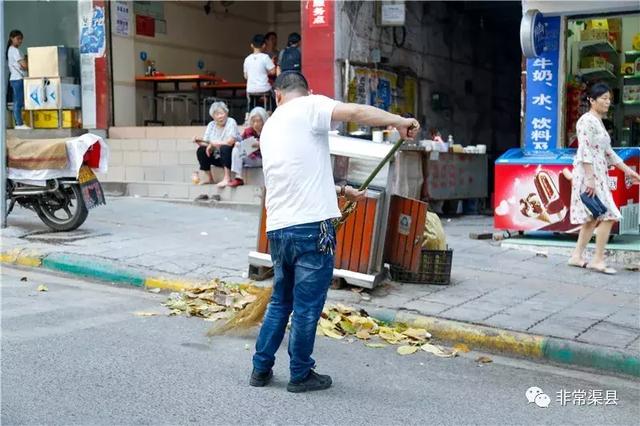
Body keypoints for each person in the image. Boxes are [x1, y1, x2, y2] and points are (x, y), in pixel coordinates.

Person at [250, 71, 419, 393]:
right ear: (308, 91)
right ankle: (300, 374)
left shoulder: (271, 126)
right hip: (312, 230)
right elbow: (355, 112)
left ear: (277, 96)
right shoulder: (309, 106)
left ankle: (260, 369)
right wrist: (398, 120)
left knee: (279, 303)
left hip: (279, 230)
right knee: (306, 308)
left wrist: (341, 190)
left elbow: (297, 174)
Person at [568, 83, 640, 274]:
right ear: (592, 100)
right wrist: (590, 179)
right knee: (610, 215)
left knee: (593, 217)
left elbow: (608, 153)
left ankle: (576, 256)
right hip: (589, 174)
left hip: (598, 174)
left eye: (609, 99)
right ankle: (597, 259)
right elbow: (584, 150)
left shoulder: (598, 122)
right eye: (604, 98)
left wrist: (627, 171)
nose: (608, 102)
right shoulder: (586, 121)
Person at [193, 101, 240, 187]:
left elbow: (230, 141)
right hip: (217, 156)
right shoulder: (211, 125)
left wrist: (214, 144)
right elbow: (207, 143)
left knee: (225, 147)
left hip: (230, 157)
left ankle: (227, 178)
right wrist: (199, 141)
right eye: (217, 114)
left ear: (226, 113)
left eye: (222, 113)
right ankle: (209, 178)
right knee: (201, 150)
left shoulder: (231, 122)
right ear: (213, 117)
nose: (220, 116)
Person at [228, 106, 267, 188]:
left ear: (263, 121)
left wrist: (260, 144)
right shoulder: (248, 131)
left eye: (258, 121)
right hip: (251, 158)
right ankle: (238, 177)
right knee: (237, 148)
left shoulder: (269, 130)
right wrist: (237, 143)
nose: (256, 124)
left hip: (263, 159)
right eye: (253, 121)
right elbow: (241, 140)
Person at [244, 34, 276, 113]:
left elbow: (246, 76)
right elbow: (273, 71)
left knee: (252, 99)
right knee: (273, 94)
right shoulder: (265, 57)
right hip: (264, 88)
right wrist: (266, 69)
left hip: (250, 89)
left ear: (251, 45)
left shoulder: (247, 59)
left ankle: (249, 114)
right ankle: (269, 112)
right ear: (264, 45)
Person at [6, 30, 30, 130]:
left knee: (19, 101)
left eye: (21, 39)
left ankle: (20, 122)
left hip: (18, 78)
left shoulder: (15, 50)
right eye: (18, 39)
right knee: (18, 102)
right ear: (12, 38)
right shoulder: (14, 50)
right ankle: (19, 124)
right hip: (17, 79)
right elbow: (24, 65)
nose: (20, 41)